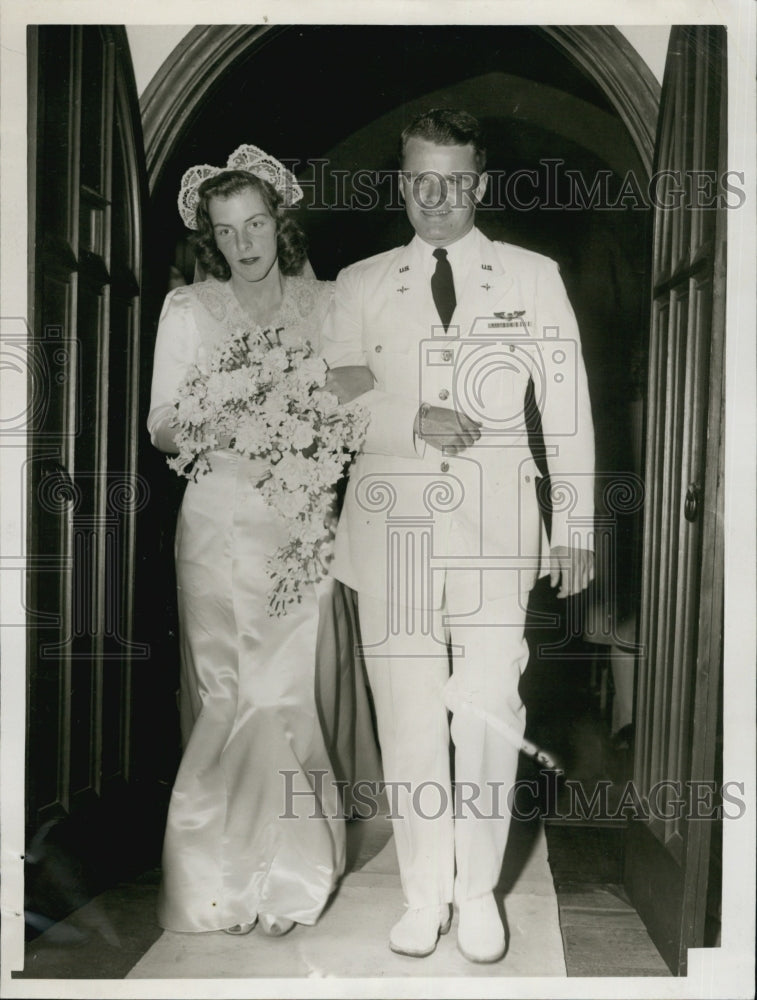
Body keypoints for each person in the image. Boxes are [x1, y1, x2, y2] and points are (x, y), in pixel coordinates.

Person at [320, 109, 596, 963]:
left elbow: (566, 404)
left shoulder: (531, 276)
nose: (436, 199)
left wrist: (575, 522)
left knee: (487, 709)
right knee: (405, 718)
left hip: (495, 529)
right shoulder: (359, 283)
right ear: (402, 182)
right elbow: (336, 391)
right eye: (419, 181)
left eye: (455, 181)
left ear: (479, 182)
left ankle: (477, 894)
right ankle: (422, 894)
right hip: (391, 530)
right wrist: (409, 422)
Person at [147, 144, 373, 937]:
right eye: (225, 230)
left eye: (255, 225)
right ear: (210, 237)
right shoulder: (187, 310)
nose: (244, 243)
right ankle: (214, 880)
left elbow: (361, 392)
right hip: (213, 523)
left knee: (284, 694)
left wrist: (308, 411)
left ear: (281, 222)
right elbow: (164, 427)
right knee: (223, 693)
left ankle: (291, 880)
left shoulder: (331, 302)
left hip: (297, 521)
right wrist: (230, 412)